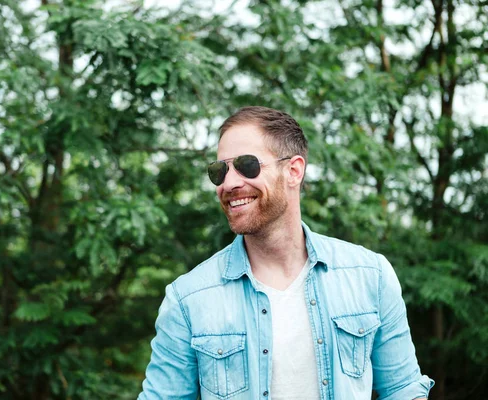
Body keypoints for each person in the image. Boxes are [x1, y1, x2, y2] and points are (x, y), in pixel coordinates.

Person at [138, 106, 434, 400]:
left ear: (294, 171)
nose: (229, 183)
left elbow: (402, 389)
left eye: (247, 165)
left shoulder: (370, 275)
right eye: (220, 171)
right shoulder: (188, 298)